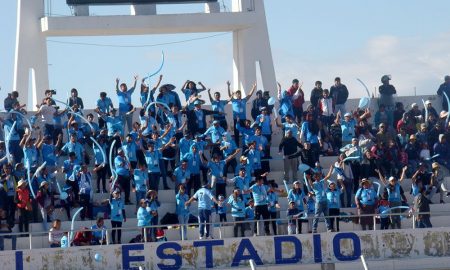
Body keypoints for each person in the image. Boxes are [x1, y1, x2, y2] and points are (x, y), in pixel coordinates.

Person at [305, 166, 334, 233]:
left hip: (325, 201)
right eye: (317, 176)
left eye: (319, 176)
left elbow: (328, 176)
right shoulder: (314, 184)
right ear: (315, 178)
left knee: (327, 216)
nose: (319, 177)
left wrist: (331, 169)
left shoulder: (322, 181)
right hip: (319, 202)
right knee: (317, 216)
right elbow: (311, 185)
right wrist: (309, 179)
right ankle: (314, 229)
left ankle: (329, 229)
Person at [229, 82, 257, 146]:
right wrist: (228, 86)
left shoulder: (244, 100)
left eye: (239, 94)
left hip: (243, 119)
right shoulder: (234, 101)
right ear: (235, 95)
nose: (239, 95)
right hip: (236, 119)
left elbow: (249, 95)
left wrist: (253, 87)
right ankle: (237, 145)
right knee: (236, 132)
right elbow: (229, 96)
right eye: (237, 94)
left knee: (245, 132)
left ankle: (246, 144)